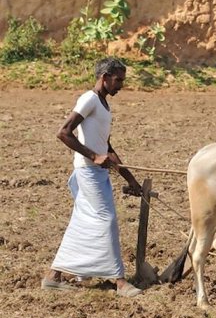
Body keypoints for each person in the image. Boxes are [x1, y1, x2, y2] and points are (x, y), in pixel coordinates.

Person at [42, 57, 144, 297]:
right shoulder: (89, 99)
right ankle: (118, 281)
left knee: (83, 221)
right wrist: (93, 156)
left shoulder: (104, 105)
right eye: (118, 80)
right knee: (106, 220)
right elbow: (64, 132)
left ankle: (54, 276)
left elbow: (107, 148)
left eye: (122, 81)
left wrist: (130, 179)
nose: (121, 85)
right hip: (87, 171)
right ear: (104, 77)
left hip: (95, 172)